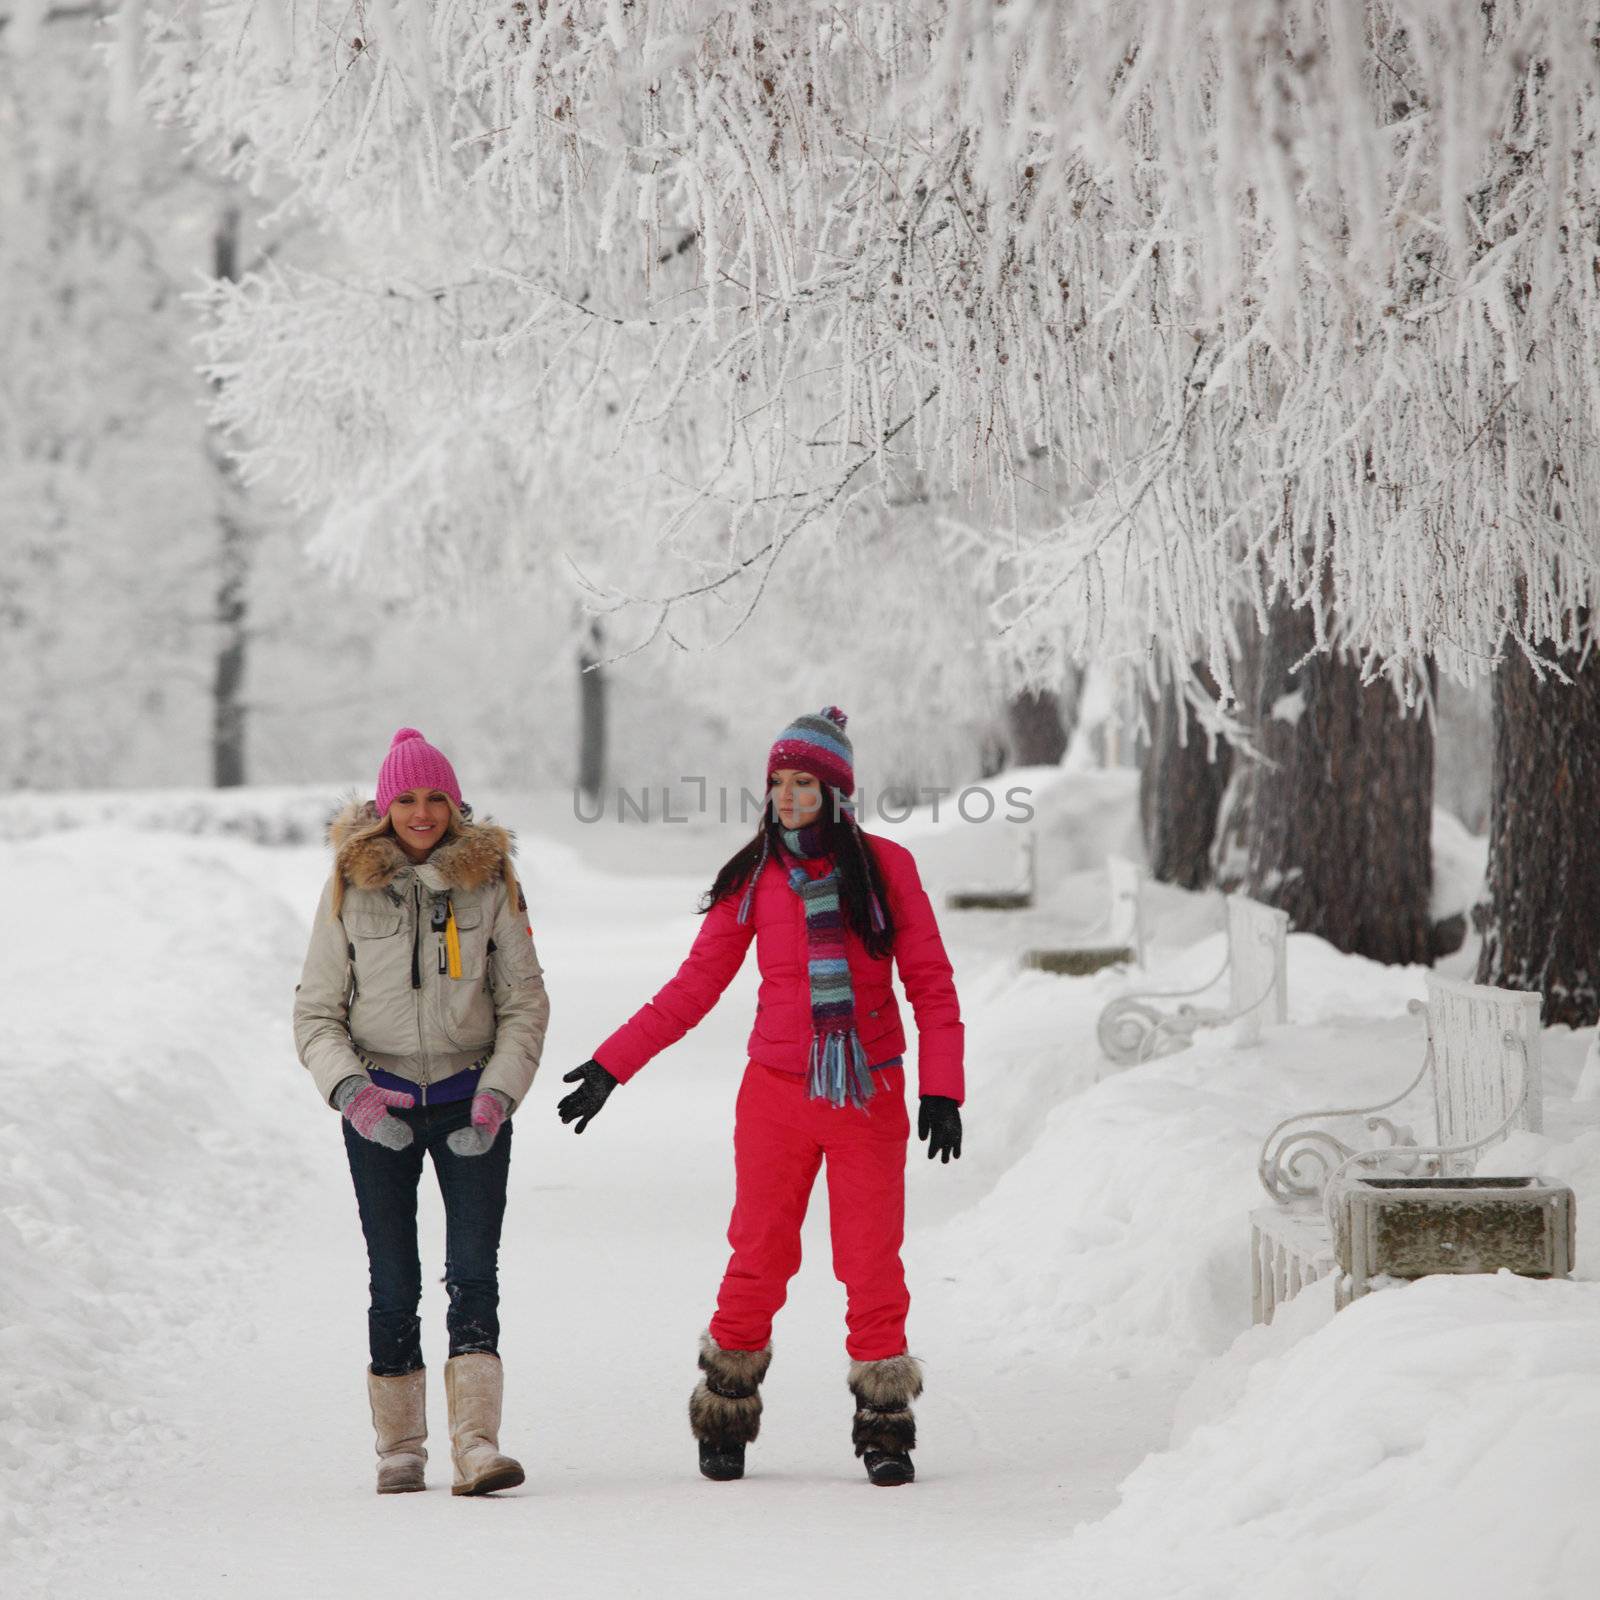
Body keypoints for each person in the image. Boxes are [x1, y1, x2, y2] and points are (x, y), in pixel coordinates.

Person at [558, 707, 963, 1487]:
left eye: (802, 782)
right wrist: (613, 1065)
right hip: (775, 1096)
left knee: (871, 1260)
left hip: (867, 1094)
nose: (785, 796)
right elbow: (695, 985)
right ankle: (727, 1407)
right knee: (760, 1251)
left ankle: (885, 1422)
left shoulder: (887, 869)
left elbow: (932, 986)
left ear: (836, 792)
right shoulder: (752, 878)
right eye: (777, 781)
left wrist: (943, 1087)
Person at [294, 728, 550, 1496]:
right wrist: (353, 1095)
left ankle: (477, 1443)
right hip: (380, 1110)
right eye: (405, 797)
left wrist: (497, 1096)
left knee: (474, 1275)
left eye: (435, 796)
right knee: (392, 1277)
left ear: (454, 801)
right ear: (383, 804)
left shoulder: (490, 878)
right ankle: (400, 1446)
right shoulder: (348, 883)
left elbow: (524, 1001)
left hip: (472, 1107)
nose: (421, 811)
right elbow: (315, 1012)